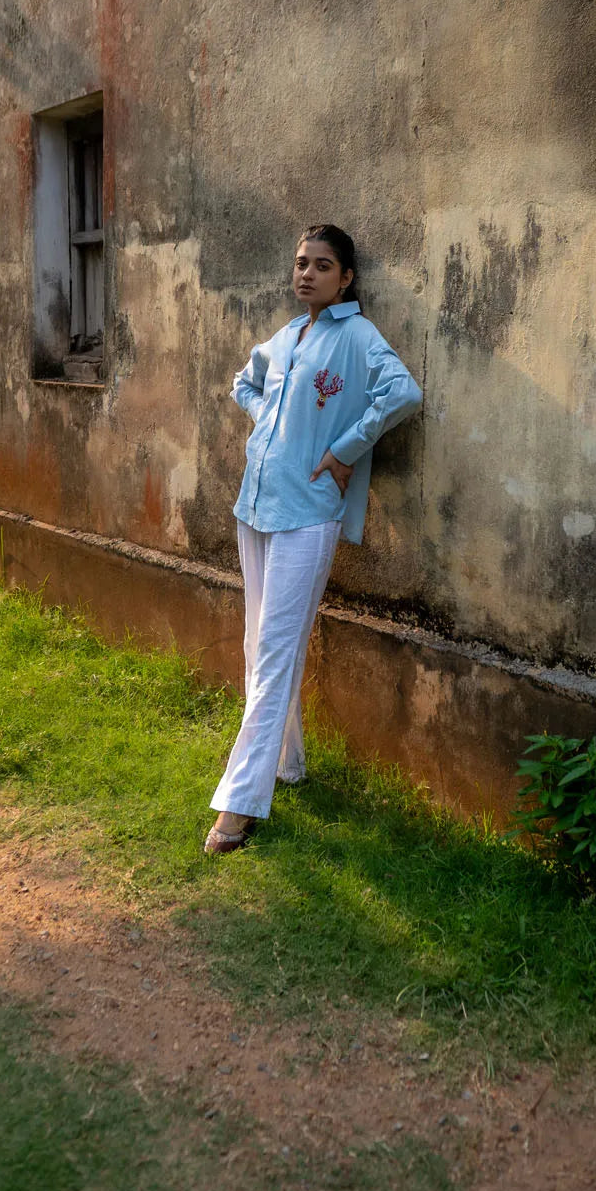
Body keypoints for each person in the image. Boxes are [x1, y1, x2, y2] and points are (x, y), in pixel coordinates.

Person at [204, 224, 422, 855]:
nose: (307, 274)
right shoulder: (287, 336)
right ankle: (287, 765)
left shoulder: (356, 337)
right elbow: (244, 383)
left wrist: (346, 448)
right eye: (301, 263)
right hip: (255, 507)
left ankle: (238, 808)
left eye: (322, 265)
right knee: (259, 647)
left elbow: (402, 392)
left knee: (274, 653)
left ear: (346, 278)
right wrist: (266, 419)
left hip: (308, 515)